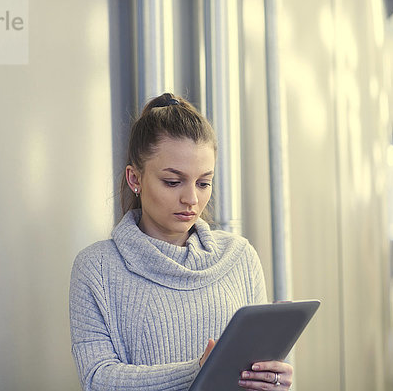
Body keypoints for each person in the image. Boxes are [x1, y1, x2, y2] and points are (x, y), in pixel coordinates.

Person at [69, 93, 293, 391]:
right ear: (135, 179)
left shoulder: (240, 257)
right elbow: (98, 380)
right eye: (173, 182)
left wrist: (271, 380)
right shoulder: (96, 267)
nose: (191, 199)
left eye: (203, 183)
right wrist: (198, 371)